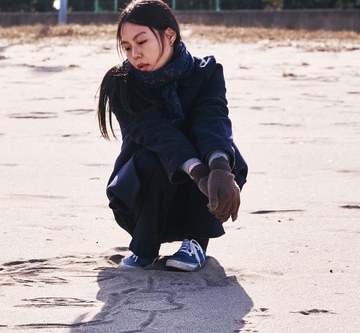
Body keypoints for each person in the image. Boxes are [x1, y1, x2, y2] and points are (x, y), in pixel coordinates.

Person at [96, 0, 248, 271]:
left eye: (142, 42)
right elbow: (156, 133)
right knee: (155, 158)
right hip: (142, 192)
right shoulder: (121, 84)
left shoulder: (207, 72)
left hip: (200, 196)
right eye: (127, 47)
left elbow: (211, 117)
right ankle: (145, 247)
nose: (134, 54)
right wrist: (199, 173)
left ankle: (196, 243)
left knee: (222, 152)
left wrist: (218, 168)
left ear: (169, 34)